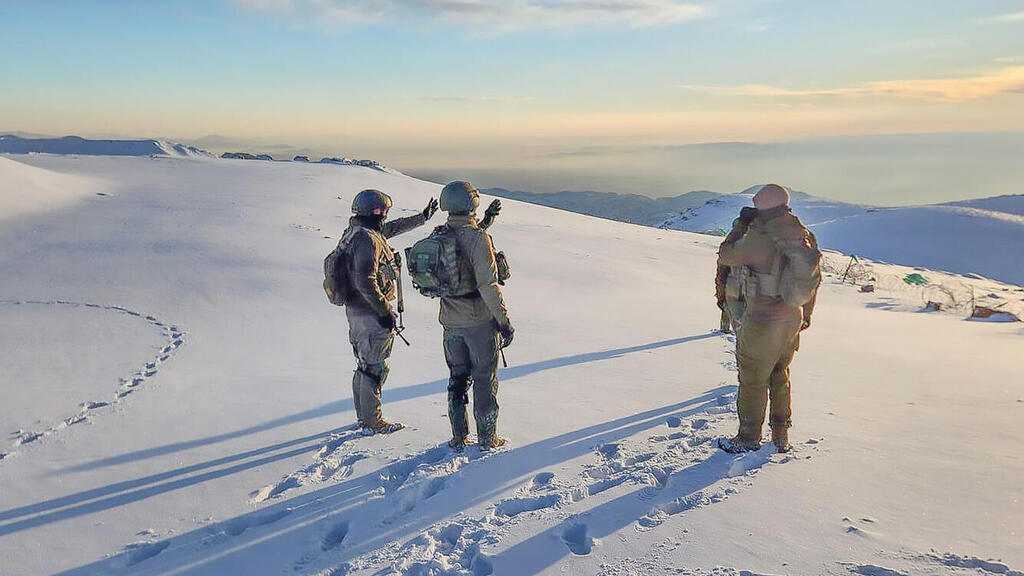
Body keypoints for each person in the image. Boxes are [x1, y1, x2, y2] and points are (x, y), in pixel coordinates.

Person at [716, 184, 821, 453]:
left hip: (763, 318)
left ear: (764, 205)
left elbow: (727, 255)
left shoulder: (761, 236)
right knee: (779, 373)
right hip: (791, 317)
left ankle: (748, 438)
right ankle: (780, 433)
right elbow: (812, 280)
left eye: (758, 198)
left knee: (752, 378)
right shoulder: (802, 234)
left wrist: (740, 225)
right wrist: (805, 315)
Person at [342, 189, 438, 435]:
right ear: (368, 211)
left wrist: (422, 217)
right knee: (374, 367)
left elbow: (392, 229)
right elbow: (366, 280)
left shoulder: (358, 232)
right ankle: (373, 421)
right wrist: (385, 311)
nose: (384, 215)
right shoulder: (367, 239)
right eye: (380, 211)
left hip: (357, 311)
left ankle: (364, 416)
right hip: (370, 312)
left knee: (365, 364)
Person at [435, 181, 514, 451]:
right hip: (478, 322)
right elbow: (488, 285)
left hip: (450, 322)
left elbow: (462, 242)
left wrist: (486, 222)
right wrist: (504, 322)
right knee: (483, 378)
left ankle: (458, 437)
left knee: (457, 378)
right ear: (471, 204)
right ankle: (487, 439)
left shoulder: (439, 235)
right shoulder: (479, 239)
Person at [715, 206, 758, 333]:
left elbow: (722, 272)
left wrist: (720, 294)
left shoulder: (733, 242)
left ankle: (725, 328)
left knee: (729, 305)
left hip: (734, 287)